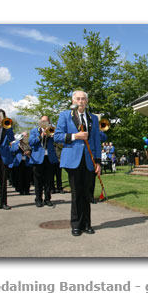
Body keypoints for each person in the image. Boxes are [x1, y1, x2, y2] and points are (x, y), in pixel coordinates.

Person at [54, 91, 101, 236]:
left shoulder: (93, 118)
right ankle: (75, 225)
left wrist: (98, 161)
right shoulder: (65, 115)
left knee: (87, 194)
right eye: (78, 99)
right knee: (76, 194)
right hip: (72, 160)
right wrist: (75, 136)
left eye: (83, 99)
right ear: (73, 101)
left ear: (87, 101)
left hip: (89, 160)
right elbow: (57, 136)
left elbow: (96, 141)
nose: (81, 101)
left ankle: (87, 224)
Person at [29, 116, 59, 207]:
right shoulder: (34, 131)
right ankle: (38, 199)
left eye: (46, 121)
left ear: (49, 122)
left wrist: (53, 135)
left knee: (49, 180)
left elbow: (58, 140)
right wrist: (40, 136)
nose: (44, 122)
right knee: (38, 180)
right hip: (38, 158)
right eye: (43, 121)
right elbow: (31, 142)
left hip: (49, 158)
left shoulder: (52, 130)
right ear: (40, 122)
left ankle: (47, 199)